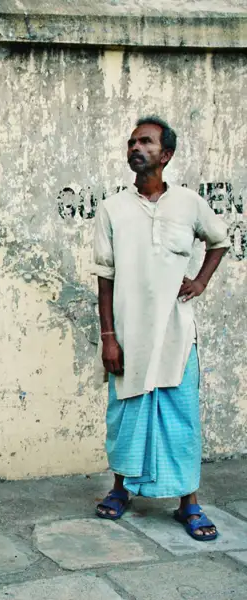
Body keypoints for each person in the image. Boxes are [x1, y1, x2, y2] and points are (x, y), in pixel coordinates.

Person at [93, 116, 230, 542]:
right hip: (129, 335)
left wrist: (201, 281)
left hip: (176, 334)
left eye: (146, 142)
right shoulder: (112, 209)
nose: (136, 148)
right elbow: (105, 277)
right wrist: (109, 338)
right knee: (126, 415)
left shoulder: (189, 203)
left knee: (180, 417)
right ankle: (121, 489)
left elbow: (219, 240)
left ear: (166, 154)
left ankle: (189, 502)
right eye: (132, 142)